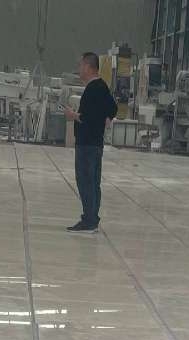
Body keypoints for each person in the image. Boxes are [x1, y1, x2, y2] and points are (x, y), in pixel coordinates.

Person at [64, 52, 117, 233]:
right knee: (94, 182)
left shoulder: (93, 89)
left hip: (87, 144)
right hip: (96, 144)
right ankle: (92, 218)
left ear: (88, 67)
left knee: (86, 181)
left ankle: (89, 220)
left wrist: (73, 115)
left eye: (80, 65)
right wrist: (107, 118)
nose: (79, 69)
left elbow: (88, 117)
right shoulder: (102, 86)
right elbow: (113, 107)